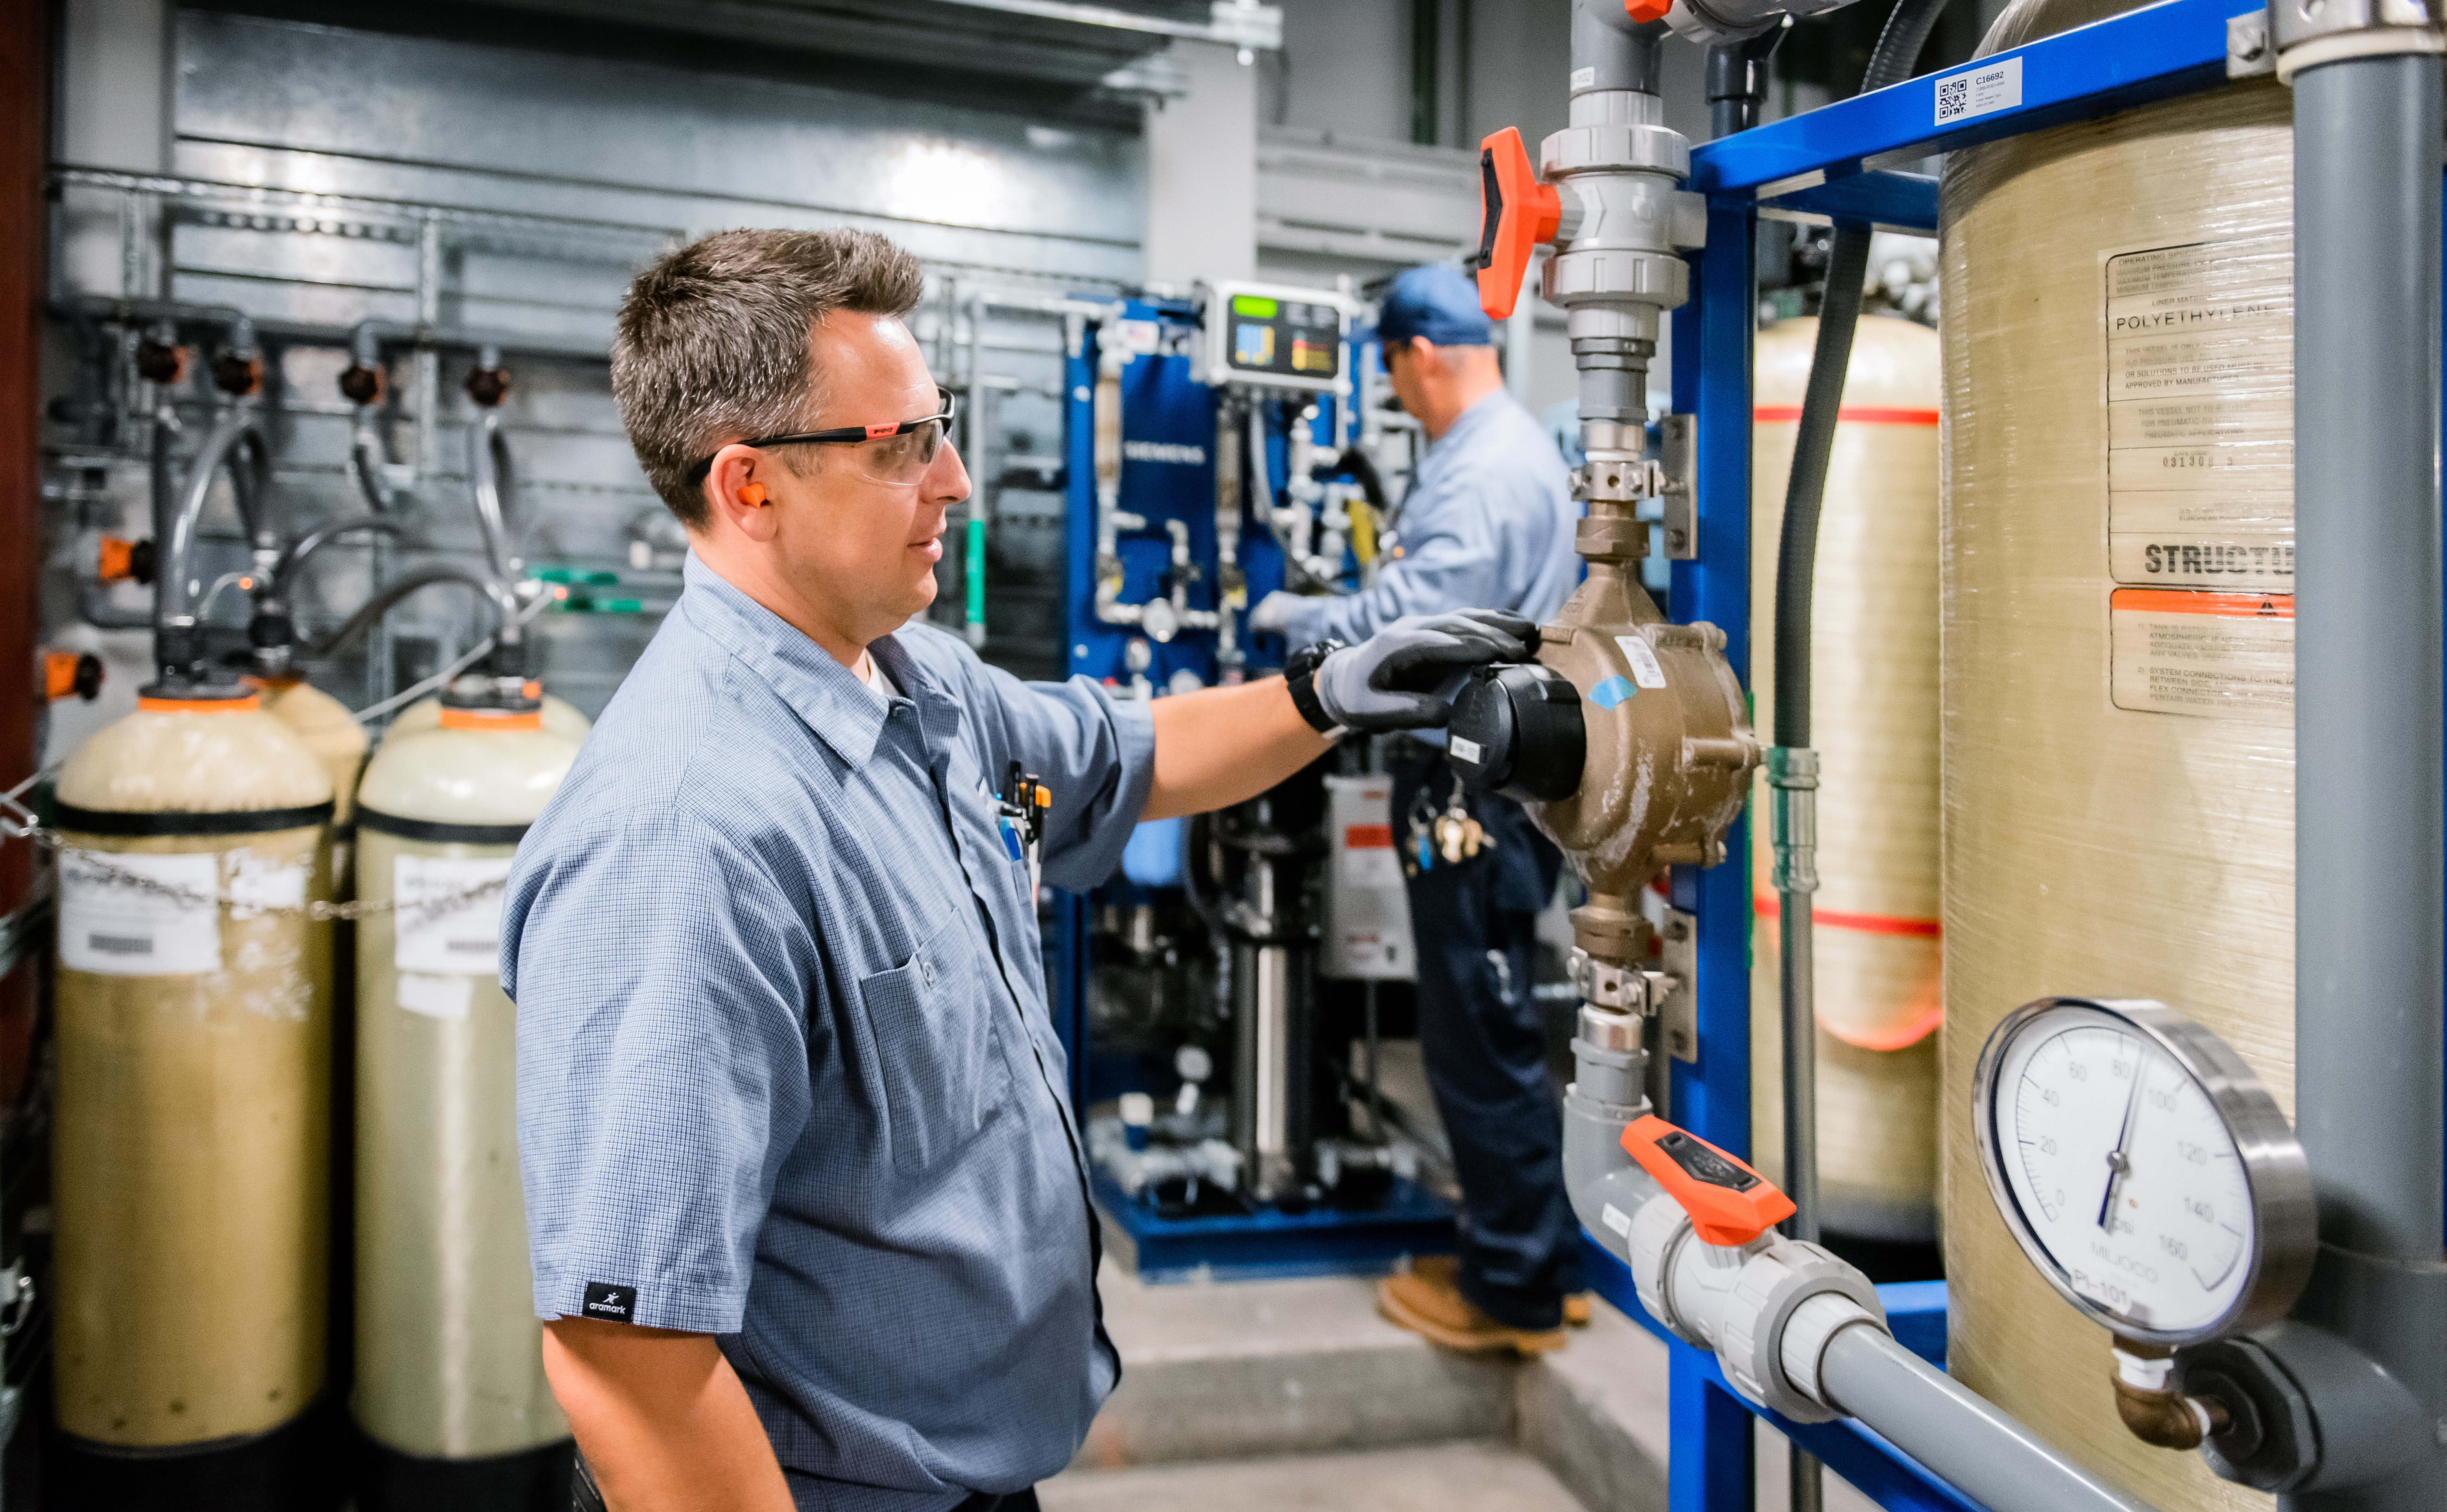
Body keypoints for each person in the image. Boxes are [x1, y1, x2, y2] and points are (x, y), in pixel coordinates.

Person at [504, 228, 1534, 1512]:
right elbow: (628, 1358)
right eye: (902, 447)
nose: (958, 481)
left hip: (986, 1471)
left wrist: (1330, 694)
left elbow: (1132, 756)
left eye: (941, 427)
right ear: (750, 485)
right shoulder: (684, 840)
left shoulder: (916, 685)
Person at [1249, 263, 1586, 1357]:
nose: (1397, 395)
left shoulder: (1485, 468)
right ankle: (1533, 1255)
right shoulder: (1494, 451)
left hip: (1470, 785)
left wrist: (1287, 612)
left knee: (1477, 1027)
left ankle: (1516, 1288)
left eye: (1393, 373)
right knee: (1486, 1020)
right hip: (1479, 776)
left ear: (1420, 356)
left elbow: (1417, 619)